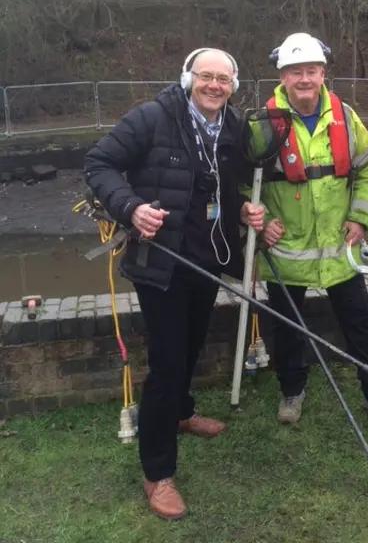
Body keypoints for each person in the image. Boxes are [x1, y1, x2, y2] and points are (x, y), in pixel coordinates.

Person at [84, 48, 264, 520]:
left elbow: (234, 181)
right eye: (205, 76)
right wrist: (131, 208)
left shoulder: (233, 126)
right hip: (160, 260)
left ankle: (182, 413)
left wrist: (245, 208)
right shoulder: (151, 118)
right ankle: (157, 472)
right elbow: (98, 163)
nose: (214, 86)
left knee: (193, 344)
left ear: (234, 86)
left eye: (223, 79)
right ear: (188, 78)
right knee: (167, 362)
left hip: (207, 256)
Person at [254, 32, 368, 430]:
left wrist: (361, 218)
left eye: (311, 71)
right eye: (295, 72)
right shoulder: (262, 123)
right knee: (288, 330)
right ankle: (292, 392)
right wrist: (258, 219)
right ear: (282, 76)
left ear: (323, 73)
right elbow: (242, 181)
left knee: (359, 326)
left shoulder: (345, 117)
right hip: (286, 249)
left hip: (341, 247)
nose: (304, 79)